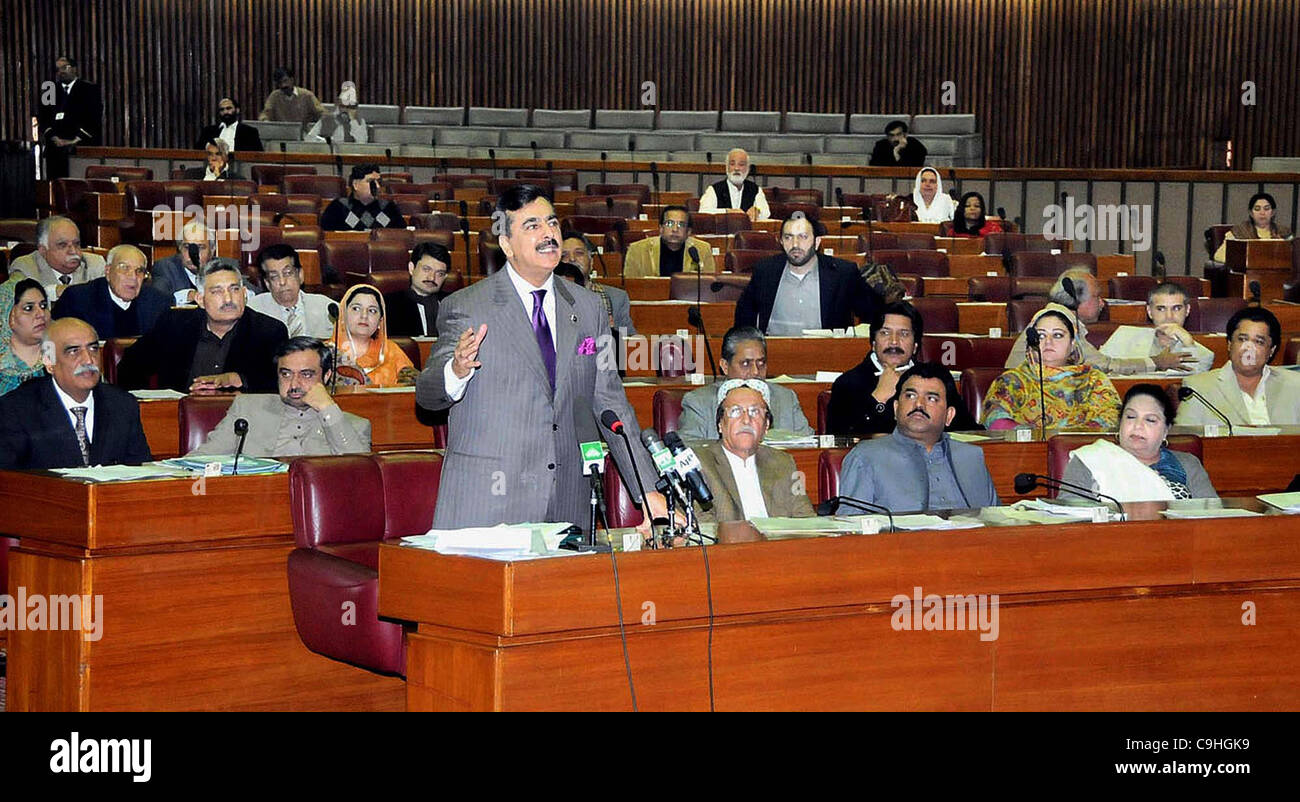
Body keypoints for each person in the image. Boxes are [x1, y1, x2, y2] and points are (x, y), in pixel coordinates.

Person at [415, 184, 667, 535]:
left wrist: (646, 489)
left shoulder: (590, 307)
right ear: (506, 244)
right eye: (532, 225)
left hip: (565, 501)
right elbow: (427, 395)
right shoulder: (467, 306)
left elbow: (610, 401)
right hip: (488, 501)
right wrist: (455, 371)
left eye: (552, 223)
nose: (549, 233)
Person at [839, 363, 999, 512]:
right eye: (910, 396)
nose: (919, 405)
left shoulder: (971, 457)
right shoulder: (866, 457)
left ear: (949, 416)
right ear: (895, 408)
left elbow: (996, 523)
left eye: (932, 398)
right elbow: (852, 531)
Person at [117, 259, 288, 394]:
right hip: (176, 420)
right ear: (200, 300)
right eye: (217, 291)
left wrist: (239, 379)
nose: (228, 299)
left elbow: (281, 381)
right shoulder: (174, 324)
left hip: (241, 423)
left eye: (234, 289)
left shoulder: (269, 332)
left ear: (244, 294)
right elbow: (129, 367)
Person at [0, 317, 151, 469]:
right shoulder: (16, 410)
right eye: (73, 351)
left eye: (93, 349)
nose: (88, 360)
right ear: (49, 362)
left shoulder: (122, 405)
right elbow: (9, 483)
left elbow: (141, 475)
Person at [188, 337, 371, 457]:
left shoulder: (355, 426)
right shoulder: (248, 408)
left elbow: (359, 472)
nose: (294, 384)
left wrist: (327, 409)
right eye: (286, 374)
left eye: (306, 374)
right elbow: (206, 457)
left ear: (327, 376)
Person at [828, 301, 979, 436]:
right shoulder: (847, 384)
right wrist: (878, 399)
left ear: (915, 347)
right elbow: (840, 442)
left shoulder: (936, 379)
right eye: (885, 333)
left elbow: (970, 431)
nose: (894, 342)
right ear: (873, 343)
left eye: (904, 334)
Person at [1003, 269, 1190, 374]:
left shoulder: (1059, 315)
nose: (1102, 303)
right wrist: (1157, 362)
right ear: (1077, 299)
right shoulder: (1056, 321)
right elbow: (1105, 366)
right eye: (1097, 296)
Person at [1064, 384, 1218, 502]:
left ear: (1166, 430)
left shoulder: (1187, 464)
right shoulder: (1090, 460)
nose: (1138, 426)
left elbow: (1213, 518)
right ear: (1120, 423)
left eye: (1150, 420)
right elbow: (1069, 520)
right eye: (1130, 417)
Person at [690, 379, 816, 522]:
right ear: (720, 424)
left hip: (779, 543)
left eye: (754, 411)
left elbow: (806, 518)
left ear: (766, 426)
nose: (746, 420)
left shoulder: (784, 462)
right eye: (735, 411)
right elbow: (703, 526)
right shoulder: (699, 463)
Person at [734, 214, 883, 335]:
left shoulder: (842, 273)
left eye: (803, 237)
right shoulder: (765, 271)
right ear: (781, 241)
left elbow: (874, 312)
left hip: (828, 355)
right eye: (788, 237)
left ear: (817, 242)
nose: (795, 245)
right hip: (774, 355)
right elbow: (744, 318)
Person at [983, 305, 1121, 431]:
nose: (1048, 342)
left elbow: (1111, 418)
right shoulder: (1012, 381)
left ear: (1073, 344)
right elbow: (994, 417)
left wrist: (1066, 440)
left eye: (1058, 335)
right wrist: (1030, 437)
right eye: (1041, 335)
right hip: (1024, 452)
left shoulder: (1093, 380)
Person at [676, 325, 813, 440]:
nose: (755, 372)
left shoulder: (786, 399)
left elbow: (807, 446)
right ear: (725, 366)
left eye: (761, 363)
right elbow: (692, 449)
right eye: (746, 364)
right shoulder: (698, 402)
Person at [1174, 306, 1300, 426]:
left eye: (1259, 342)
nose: (1249, 348)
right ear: (1229, 344)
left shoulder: (1295, 385)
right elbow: (1185, 438)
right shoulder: (1198, 388)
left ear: (1271, 350)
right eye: (1242, 339)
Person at [51, 244, 170, 339]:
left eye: (139, 271)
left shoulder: (158, 302)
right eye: (124, 268)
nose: (133, 277)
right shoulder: (78, 300)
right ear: (108, 272)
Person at [1099, 281, 1213, 373]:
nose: (1169, 316)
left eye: (1177, 308)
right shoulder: (1123, 335)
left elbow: (1193, 378)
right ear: (1149, 311)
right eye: (1161, 309)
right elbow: (1098, 370)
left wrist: (1188, 342)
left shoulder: (1204, 354)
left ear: (1187, 310)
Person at [324, 284, 417, 387]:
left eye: (372, 311)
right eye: (356, 309)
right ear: (343, 313)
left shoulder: (391, 351)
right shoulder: (324, 352)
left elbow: (411, 389)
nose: (364, 316)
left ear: (380, 321)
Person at [246, 244, 335, 338]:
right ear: (267, 283)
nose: (282, 282)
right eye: (274, 277)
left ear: (300, 275)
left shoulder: (327, 308)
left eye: (288, 273)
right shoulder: (253, 311)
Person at [8, 216, 107, 299]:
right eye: (62, 245)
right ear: (43, 250)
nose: (73, 251)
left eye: (76, 244)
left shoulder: (95, 264)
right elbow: (16, 300)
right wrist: (54, 291)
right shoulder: (25, 267)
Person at [36, 56, 101, 179]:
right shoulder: (49, 90)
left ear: (75, 69)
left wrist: (74, 140)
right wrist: (54, 138)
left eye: (65, 67)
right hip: (55, 149)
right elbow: (43, 118)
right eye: (58, 69)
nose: (61, 71)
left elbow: (94, 118)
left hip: (80, 148)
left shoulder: (89, 89)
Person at [558, 234, 637, 335]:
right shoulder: (546, 298)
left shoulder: (616, 298)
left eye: (579, 253)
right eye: (564, 255)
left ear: (591, 262)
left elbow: (628, 342)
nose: (572, 259)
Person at [621, 206, 715, 277]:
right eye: (669, 223)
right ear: (661, 228)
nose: (675, 229)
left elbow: (708, 286)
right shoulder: (637, 250)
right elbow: (630, 286)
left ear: (688, 231)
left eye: (681, 224)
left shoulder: (702, 250)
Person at [385, 241, 452, 337]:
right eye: (426, 269)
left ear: (445, 277)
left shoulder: (452, 304)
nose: (431, 278)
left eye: (439, 273)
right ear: (411, 268)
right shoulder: (390, 304)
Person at [319, 164, 406, 232]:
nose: (377, 186)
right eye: (371, 182)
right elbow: (328, 236)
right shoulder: (337, 207)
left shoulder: (389, 208)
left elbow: (400, 235)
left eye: (379, 182)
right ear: (356, 185)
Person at [0, 279, 49, 396]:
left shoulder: (63, 358)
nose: (41, 314)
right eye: (28, 308)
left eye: (43, 306)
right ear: (8, 316)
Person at [1213, 192, 1294, 262]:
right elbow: (1218, 256)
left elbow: (1294, 256)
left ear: (1273, 212)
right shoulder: (1239, 232)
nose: (1262, 213)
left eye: (1266, 209)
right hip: (1250, 275)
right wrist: (1248, 259)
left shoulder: (1284, 232)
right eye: (1257, 209)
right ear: (1251, 213)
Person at [697, 148, 771, 221]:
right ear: (726, 167)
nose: (736, 168)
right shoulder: (714, 190)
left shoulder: (755, 189)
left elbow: (766, 213)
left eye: (741, 164)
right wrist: (727, 212)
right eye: (732, 164)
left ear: (748, 169)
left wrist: (757, 211)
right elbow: (703, 212)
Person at [258, 67, 324, 133]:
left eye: (285, 81)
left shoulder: (306, 95)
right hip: (281, 135)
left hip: (304, 135)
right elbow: (265, 113)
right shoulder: (274, 96)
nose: (283, 85)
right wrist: (265, 121)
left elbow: (321, 113)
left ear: (292, 80)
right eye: (279, 83)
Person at [194, 97, 264, 153]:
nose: (225, 112)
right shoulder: (208, 131)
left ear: (237, 110)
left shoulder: (249, 132)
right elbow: (197, 152)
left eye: (229, 108)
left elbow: (258, 155)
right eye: (222, 110)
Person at [180, 138, 245, 181]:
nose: (213, 158)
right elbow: (179, 198)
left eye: (218, 154)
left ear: (226, 157)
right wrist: (178, 202)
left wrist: (218, 175)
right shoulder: (191, 175)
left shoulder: (238, 180)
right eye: (210, 154)